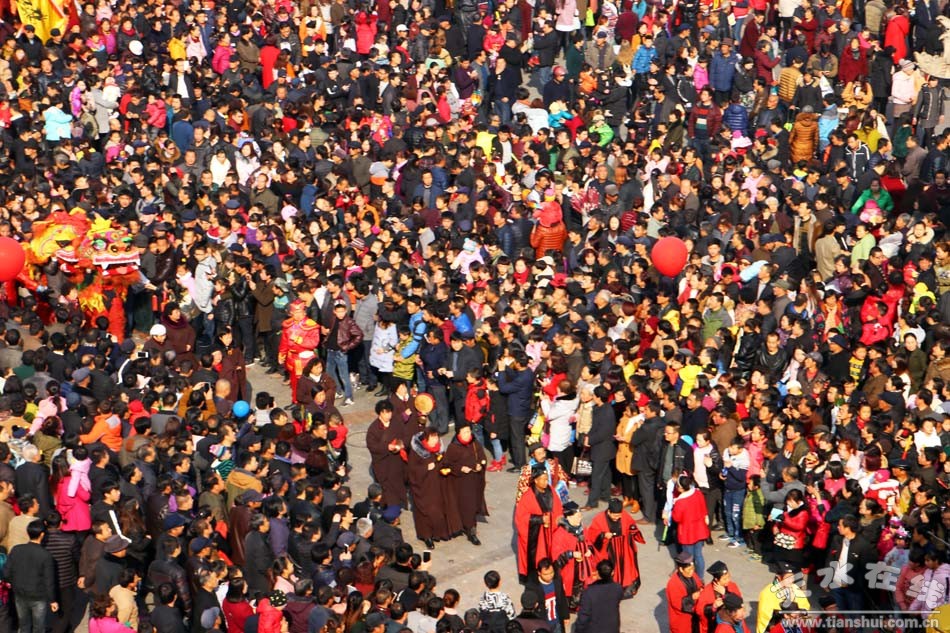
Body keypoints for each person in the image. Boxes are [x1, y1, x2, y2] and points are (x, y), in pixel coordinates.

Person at [584, 498, 645, 598]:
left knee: (626, 567)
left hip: (623, 546)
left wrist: (633, 529)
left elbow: (631, 524)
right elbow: (593, 534)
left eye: (619, 515)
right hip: (609, 548)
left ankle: (626, 588)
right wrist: (603, 535)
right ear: (609, 511)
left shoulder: (624, 515)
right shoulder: (599, 519)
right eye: (615, 516)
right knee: (610, 569)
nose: (617, 518)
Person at [5, 520, 58, 633]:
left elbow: (6, 572)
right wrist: (53, 600)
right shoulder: (45, 555)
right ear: (42, 535)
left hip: (19, 594)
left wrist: (14, 583)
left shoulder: (16, 549)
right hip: (38, 596)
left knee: (24, 625)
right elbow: (49, 581)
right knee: (39, 627)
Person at [441, 423, 489, 545]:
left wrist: (480, 464)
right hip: (459, 483)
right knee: (462, 506)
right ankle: (465, 527)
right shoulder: (453, 447)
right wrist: (460, 468)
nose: (468, 434)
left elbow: (482, 457)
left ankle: (471, 529)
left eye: (469, 431)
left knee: (471, 506)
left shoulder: (475, 443)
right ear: (459, 434)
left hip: (474, 480)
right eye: (465, 432)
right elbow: (447, 464)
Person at [515, 465, 564, 583]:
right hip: (536, 535)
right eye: (543, 479)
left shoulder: (551, 491)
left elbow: (558, 508)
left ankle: (550, 574)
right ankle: (534, 579)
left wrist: (556, 520)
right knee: (537, 556)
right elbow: (521, 518)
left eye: (547, 479)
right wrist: (540, 519)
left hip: (550, 530)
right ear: (536, 480)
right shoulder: (527, 496)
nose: (546, 482)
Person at [575, 560, 623, 633]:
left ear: (597, 573)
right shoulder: (618, 588)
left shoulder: (588, 592)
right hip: (612, 628)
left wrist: (578, 630)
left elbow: (583, 616)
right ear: (612, 572)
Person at [666, 552, 704, 633]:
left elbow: (700, 585)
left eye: (693, 568)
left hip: (694, 617)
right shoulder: (673, 583)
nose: (692, 571)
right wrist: (692, 597)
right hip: (682, 620)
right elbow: (677, 604)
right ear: (681, 569)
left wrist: (701, 590)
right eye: (689, 569)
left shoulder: (693, 575)